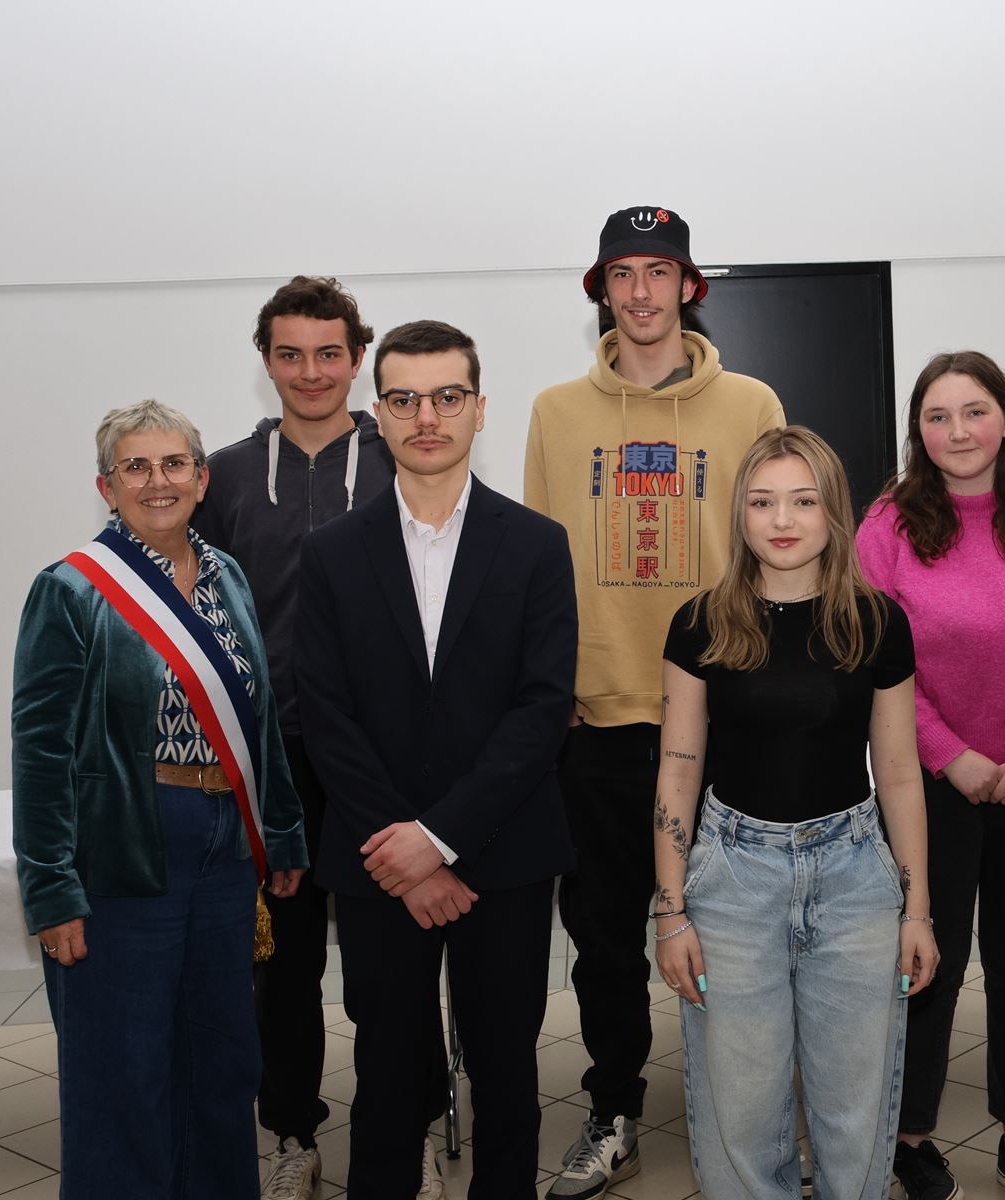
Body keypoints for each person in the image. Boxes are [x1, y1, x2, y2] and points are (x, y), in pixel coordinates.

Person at [524, 204, 783, 1197]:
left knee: (736, 940)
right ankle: (614, 1112)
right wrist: (550, 694)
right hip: (596, 721)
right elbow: (537, 567)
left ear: (688, 286)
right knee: (603, 945)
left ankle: (746, 1120)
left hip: (720, 721)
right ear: (602, 291)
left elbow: (780, 551)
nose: (641, 291)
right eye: (622, 274)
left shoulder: (751, 404)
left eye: (658, 271)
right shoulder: (556, 412)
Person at [294, 318, 577, 1198]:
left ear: (478, 409)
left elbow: (542, 708)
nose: (428, 417)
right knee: (384, 1074)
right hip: (377, 857)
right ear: (376, 414)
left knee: (506, 1071)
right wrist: (406, 850)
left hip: (504, 851)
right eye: (406, 399)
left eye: (448, 397)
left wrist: (441, 838)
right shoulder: (330, 553)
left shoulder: (536, 543)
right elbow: (324, 714)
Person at [12, 399, 308, 1199]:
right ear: (106, 487)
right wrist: (50, 888)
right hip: (125, 844)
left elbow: (259, 717)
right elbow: (39, 752)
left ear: (202, 478)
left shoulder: (227, 576)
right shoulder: (72, 590)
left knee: (222, 1063)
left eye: (174, 463)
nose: (157, 481)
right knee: (123, 1070)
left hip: (225, 847)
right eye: (135, 467)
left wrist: (280, 830)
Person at [652, 425, 939, 1200]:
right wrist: (670, 913)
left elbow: (899, 774)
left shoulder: (877, 622)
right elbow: (678, 770)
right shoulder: (700, 623)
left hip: (853, 876)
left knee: (853, 1111)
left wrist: (916, 911)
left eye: (803, 501)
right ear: (738, 514)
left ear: (832, 512)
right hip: (730, 877)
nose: (782, 520)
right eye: (762, 502)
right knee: (742, 1114)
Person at [855, 351, 1005, 1200]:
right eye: (936, 416)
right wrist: (949, 754)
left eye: (975, 411)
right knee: (927, 964)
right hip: (928, 786)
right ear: (916, 431)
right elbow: (873, 660)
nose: (957, 431)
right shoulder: (887, 525)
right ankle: (910, 1139)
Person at [192, 274, 400, 1200]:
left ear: (356, 359)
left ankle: (402, 1131)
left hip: (385, 757)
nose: (310, 372)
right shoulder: (225, 476)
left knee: (391, 963)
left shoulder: (404, 457)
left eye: (328, 354)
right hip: (267, 759)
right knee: (282, 967)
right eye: (290, 354)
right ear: (266, 362)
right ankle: (291, 1133)